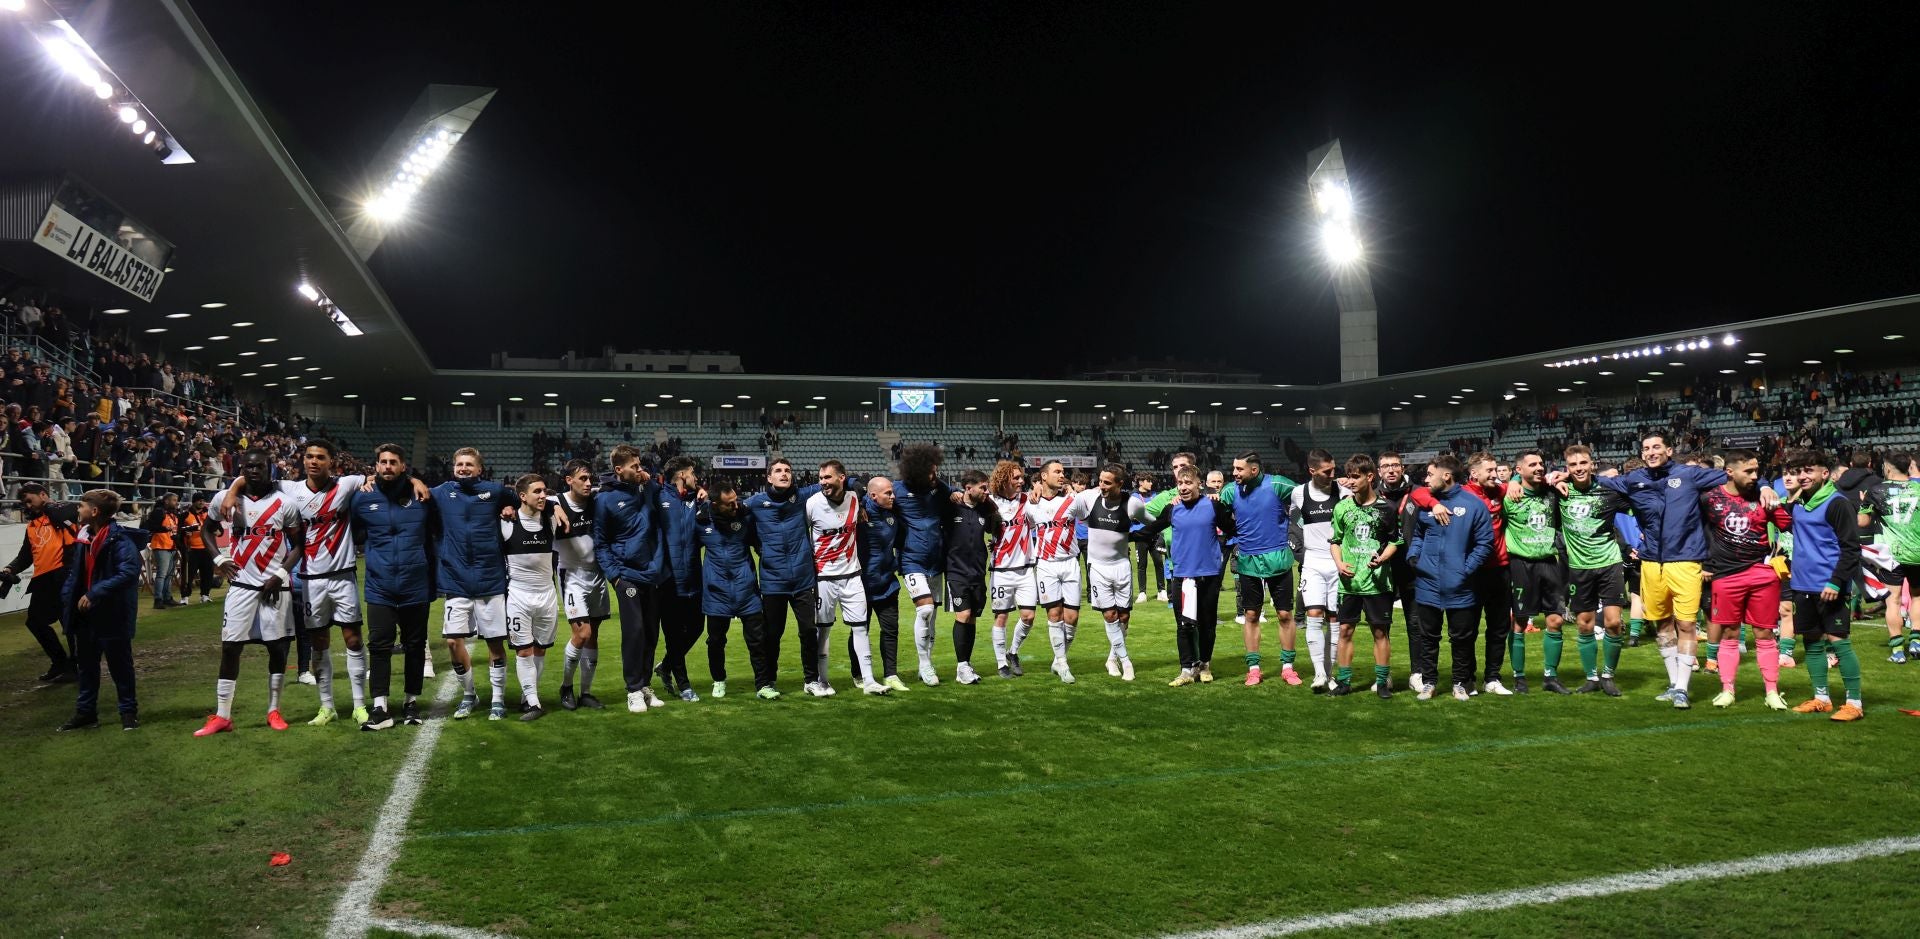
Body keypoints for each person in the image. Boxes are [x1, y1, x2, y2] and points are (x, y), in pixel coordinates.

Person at [1594, 434, 1727, 707]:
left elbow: (1732, 478)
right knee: (1662, 623)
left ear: (1668, 450)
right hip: (1652, 563)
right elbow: (1599, 481)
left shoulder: (1689, 474)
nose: (1651, 452)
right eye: (1646, 448)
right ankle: (1673, 684)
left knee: (1687, 623)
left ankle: (1682, 687)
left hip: (1685, 560)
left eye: (1656, 447)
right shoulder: (1634, 479)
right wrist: (1560, 478)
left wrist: (1762, 487)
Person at [194, 449, 305, 736]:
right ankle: (222, 715)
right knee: (231, 646)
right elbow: (206, 531)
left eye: (260, 466)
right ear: (242, 470)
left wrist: (280, 574)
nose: (254, 471)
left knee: (277, 647)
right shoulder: (225, 499)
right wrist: (218, 559)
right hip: (241, 584)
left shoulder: (285, 503)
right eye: (248, 467)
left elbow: (299, 546)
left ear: (269, 468)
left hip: (275, 585)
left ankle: (273, 710)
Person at [434, 447, 525, 721]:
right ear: (453, 467)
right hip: (456, 580)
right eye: (459, 464)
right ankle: (469, 694)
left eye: (469, 465)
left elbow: (522, 500)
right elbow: (414, 490)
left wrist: (511, 507)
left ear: (479, 469)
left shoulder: (495, 491)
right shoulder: (441, 492)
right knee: (452, 641)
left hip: (490, 579)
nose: (463, 468)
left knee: (495, 644)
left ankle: (497, 699)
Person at [1699, 449, 1793, 711]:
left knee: (1764, 633)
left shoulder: (1766, 499)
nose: (1755, 476)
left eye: (1756, 471)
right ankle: (1727, 689)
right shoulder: (1709, 498)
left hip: (1761, 575)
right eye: (1748, 471)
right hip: (1726, 576)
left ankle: (1772, 691)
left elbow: (1790, 524)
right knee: (1730, 633)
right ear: (1730, 471)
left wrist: (1782, 497)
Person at [351, 444, 436, 730]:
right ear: (375, 466)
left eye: (393, 462)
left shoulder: (422, 495)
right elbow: (356, 532)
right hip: (379, 585)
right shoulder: (361, 499)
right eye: (383, 462)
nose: (387, 466)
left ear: (403, 467)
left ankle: (411, 702)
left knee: (414, 645)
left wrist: (416, 482)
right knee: (379, 645)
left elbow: (436, 532)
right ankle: (380, 707)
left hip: (416, 584)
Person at [1406, 453, 1495, 701]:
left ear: (1446, 476)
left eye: (1430, 474)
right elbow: (1419, 535)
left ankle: (1459, 682)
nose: (1426, 479)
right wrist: (1415, 558)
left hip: (1461, 586)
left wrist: (1465, 570)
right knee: (1428, 637)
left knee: (1462, 638)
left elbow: (1484, 543)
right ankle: (1429, 682)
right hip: (1427, 583)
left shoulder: (1474, 505)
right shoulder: (1428, 503)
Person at [56, 489, 145, 731]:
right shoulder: (84, 538)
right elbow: (76, 573)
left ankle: (128, 713)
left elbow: (128, 573)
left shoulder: (119, 539)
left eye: (81, 506)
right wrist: (68, 596)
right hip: (86, 615)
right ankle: (86, 713)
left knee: (120, 666)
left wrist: (95, 593)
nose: (78, 510)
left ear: (94, 511)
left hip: (112, 614)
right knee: (86, 667)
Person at [1138, 465, 1236, 685]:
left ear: (1199, 484)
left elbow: (1232, 528)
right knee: (1184, 625)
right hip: (1182, 576)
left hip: (1209, 575)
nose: (1183, 487)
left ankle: (1204, 665)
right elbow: (1151, 529)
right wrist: (1123, 534)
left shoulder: (1213, 506)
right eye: (1180, 483)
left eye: (1188, 483)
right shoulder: (1172, 509)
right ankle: (1186, 669)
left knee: (1207, 624)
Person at [1785, 450, 1865, 721]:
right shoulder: (1798, 503)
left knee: (1839, 642)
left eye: (1809, 470)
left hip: (1829, 585)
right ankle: (1822, 698)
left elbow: (1851, 548)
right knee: (1811, 641)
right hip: (1802, 584)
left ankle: (1854, 703)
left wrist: (1836, 580)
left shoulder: (1837, 503)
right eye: (1799, 471)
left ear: (1825, 474)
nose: (1803, 476)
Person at [1216, 451, 1300, 686]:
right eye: (1234, 469)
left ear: (1254, 470)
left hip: (1278, 558)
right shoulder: (1231, 491)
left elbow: (1309, 496)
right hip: (1248, 561)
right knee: (1251, 615)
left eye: (1239, 469)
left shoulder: (1277, 484)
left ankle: (1288, 667)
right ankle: (1253, 668)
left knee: (1285, 614)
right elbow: (1217, 515)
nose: (1234, 473)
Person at [804, 460, 886, 695]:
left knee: (861, 628)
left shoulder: (854, 498)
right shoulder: (812, 504)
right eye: (821, 478)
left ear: (842, 478)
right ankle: (822, 680)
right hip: (824, 578)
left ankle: (868, 681)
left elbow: (866, 489)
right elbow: (803, 534)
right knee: (824, 630)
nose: (823, 482)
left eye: (827, 478)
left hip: (852, 575)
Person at [596, 445, 668, 713]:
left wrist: (654, 479)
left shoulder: (648, 489)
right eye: (635, 467)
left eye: (640, 465)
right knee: (634, 632)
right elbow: (600, 542)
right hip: (627, 575)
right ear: (619, 470)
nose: (640, 470)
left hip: (652, 573)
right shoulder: (605, 500)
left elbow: (668, 497)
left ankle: (645, 684)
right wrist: (614, 577)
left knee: (651, 632)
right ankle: (633, 690)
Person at [742, 458, 823, 695]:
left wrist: (854, 484)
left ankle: (811, 680)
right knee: (772, 635)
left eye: (788, 470)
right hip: (772, 581)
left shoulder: (802, 497)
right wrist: (759, 546)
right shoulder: (756, 503)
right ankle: (768, 681)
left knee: (809, 631)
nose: (784, 474)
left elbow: (830, 483)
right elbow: (730, 511)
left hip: (802, 578)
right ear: (769, 477)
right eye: (778, 471)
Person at [1557, 445, 1631, 697]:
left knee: (1612, 623)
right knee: (1584, 625)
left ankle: (1609, 675)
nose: (1578, 469)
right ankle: (1591, 677)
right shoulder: (1560, 493)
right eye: (1573, 465)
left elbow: (1641, 501)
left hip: (1609, 564)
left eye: (1583, 463)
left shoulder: (1608, 491)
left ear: (1592, 464)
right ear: (1566, 468)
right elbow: (1528, 484)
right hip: (1579, 568)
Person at [1023, 459, 1101, 683]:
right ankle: (1062, 663)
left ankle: (1059, 659)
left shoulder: (1072, 501)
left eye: (1063, 472)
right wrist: (1032, 490)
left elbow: (1090, 517)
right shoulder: (1031, 504)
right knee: (1054, 615)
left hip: (1070, 562)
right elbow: (1025, 526)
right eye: (1057, 471)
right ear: (1043, 476)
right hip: (1046, 564)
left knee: (1072, 617)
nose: (1062, 475)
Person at [1329, 455, 1400, 698]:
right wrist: (1339, 563)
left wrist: (1383, 558)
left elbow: (1395, 541)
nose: (1350, 481)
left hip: (1377, 582)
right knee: (1345, 631)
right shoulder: (1342, 507)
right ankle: (1344, 682)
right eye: (1348, 476)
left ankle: (1382, 683)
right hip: (1349, 582)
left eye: (1356, 476)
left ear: (1370, 477)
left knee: (1380, 632)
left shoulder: (1387, 508)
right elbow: (1335, 541)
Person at [1, 482, 78, 683]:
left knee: (69, 623)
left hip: (65, 574)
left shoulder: (62, 512)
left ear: (43, 495)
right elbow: (25, 556)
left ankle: (77, 667)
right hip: (44, 579)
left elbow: (70, 512)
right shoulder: (32, 526)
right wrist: (10, 568)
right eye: (24, 502)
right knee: (35, 622)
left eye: (30, 500)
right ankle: (61, 662)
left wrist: (49, 506)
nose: (27, 505)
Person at [1502, 450, 1564, 693]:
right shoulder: (1509, 498)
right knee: (1519, 621)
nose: (1539, 467)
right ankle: (1519, 678)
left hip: (1549, 562)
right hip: (1520, 564)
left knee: (1555, 620)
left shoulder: (1552, 493)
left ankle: (1551, 677)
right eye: (1533, 464)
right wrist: (1512, 484)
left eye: (1541, 463)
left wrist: (1562, 477)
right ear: (1519, 470)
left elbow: (1575, 476)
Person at [1287, 449, 1348, 691]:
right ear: (1312, 471)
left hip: (1337, 562)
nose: (1333, 475)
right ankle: (1319, 674)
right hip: (1312, 563)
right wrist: (1300, 552)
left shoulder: (1343, 492)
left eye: (1334, 469)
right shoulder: (1299, 493)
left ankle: (1330, 674)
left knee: (1334, 617)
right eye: (1327, 471)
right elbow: (1293, 523)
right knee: (1313, 614)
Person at [550, 460, 609, 709]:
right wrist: (552, 505)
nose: (588, 483)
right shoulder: (557, 503)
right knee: (581, 634)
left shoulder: (596, 502)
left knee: (592, 636)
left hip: (597, 575)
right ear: (568, 480)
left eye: (589, 478)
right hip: (571, 575)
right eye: (582, 478)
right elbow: (528, 498)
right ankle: (566, 687)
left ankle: (585, 692)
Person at [892, 442, 952, 687]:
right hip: (911, 560)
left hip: (936, 562)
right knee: (925, 610)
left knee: (933, 617)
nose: (934, 475)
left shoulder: (940, 490)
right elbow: (870, 496)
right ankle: (925, 664)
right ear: (916, 471)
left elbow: (962, 497)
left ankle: (925, 663)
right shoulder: (897, 490)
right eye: (930, 470)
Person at [697, 480, 764, 697]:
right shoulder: (701, 522)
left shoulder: (745, 517)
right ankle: (718, 680)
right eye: (730, 504)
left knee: (757, 640)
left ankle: (763, 684)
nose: (736, 506)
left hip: (747, 590)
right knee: (716, 641)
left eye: (736, 501)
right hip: (716, 593)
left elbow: (760, 545)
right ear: (715, 504)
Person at [1084, 463, 1147, 680]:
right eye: (1100, 481)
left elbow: (1151, 523)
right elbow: (1066, 508)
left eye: (1107, 483)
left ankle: (1112, 658)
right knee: (1110, 614)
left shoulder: (1132, 504)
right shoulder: (1089, 498)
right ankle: (1126, 662)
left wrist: (1136, 536)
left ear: (1120, 484)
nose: (1101, 486)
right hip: (1098, 567)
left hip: (1121, 567)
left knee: (1124, 616)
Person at [503, 474, 559, 720]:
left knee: (540, 650)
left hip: (547, 595)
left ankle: (528, 697)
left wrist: (555, 504)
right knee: (523, 650)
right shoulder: (506, 522)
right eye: (536, 491)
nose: (543, 495)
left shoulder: (551, 520)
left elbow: (565, 500)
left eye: (544, 491)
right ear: (522, 496)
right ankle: (534, 703)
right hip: (518, 595)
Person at [1858, 451, 1920, 664]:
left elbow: (1862, 522)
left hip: (1891, 554)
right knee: (1917, 597)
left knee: (1892, 600)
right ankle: (1916, 642)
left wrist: (1862, 504)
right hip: (1917, 552)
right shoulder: (1919, 489)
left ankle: (1897, 651)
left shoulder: (1876, 491)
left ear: (1888, 467)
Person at [941, 469, 1000, 684]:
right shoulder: (951, 507)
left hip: (978, 572)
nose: (987, 491)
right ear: (968, 488)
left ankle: (966, 664)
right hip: (956, 571)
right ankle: (961, 666)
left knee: (972, 617)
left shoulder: (985, 509)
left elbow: (997, 525)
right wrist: (952, 493)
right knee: (963, 615)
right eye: (983, 488)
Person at [655, 457, 705, 701]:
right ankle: (684, 685)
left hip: (694, 579)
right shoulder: (658, 498)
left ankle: (665, 665)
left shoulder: (696, 500)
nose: (696, 478)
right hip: (668, 581)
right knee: (674, 635)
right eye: (693, 473)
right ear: (682, 475)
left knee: (697, 627)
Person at [855, 475, 908, 690]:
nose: (893, 496)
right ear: (872, 495)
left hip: (887, 584)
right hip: (861, 585)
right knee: (860, 631)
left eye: (893, 492)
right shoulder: (857, 514)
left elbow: (902, 542)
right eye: (888, 493)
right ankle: (858, 674)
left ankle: (891, 675)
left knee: (890, 630)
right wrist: (858, 503)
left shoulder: (893, 515)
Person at [987, 460, 1039, 677]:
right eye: (1015, 477)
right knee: (1001, 617)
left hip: (1026, 569)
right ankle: (1001, 664)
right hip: (1001, 570)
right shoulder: (990, 503)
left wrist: (1037, 497)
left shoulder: (1027, 500)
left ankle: (1013, 652)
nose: (1020, 481)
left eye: (1021, 477)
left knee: (1028, 617)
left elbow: (1037, 523)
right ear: (1003, 479)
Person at [141, 491, 184, 609]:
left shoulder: (173, 514)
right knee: (162, 574)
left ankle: (167, 598)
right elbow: (150, 527)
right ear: (166, 501)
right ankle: (158, 600)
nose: (176, 503)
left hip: (171, 546)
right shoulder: (159, 512)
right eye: (174, 500)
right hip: (161, 546)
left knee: (169, 575)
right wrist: (164, 528)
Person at [1131, 472, 1167, 603]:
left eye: (1152, 481)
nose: (1151, 483)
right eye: (1148, 480)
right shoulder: (1134, 497)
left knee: (1159, 562)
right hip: (1140, 535)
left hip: (1155, 534)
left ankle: (1161, 591)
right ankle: (1142, 593)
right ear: (1141, 482)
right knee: (1142, 564)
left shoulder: (1155, 496)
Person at [181, 494, 216, 604]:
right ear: (193, 502)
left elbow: (218, 528)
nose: (201, 502)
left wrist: (217, 531)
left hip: (207, 548)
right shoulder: (186, 514)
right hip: (192, 549)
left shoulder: (209, 514)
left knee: (207, 573)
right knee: (188, 575)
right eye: (199, 500)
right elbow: (179, 529)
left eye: (203, 500)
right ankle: (185, 597)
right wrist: (186, 532)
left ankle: (205, 595)